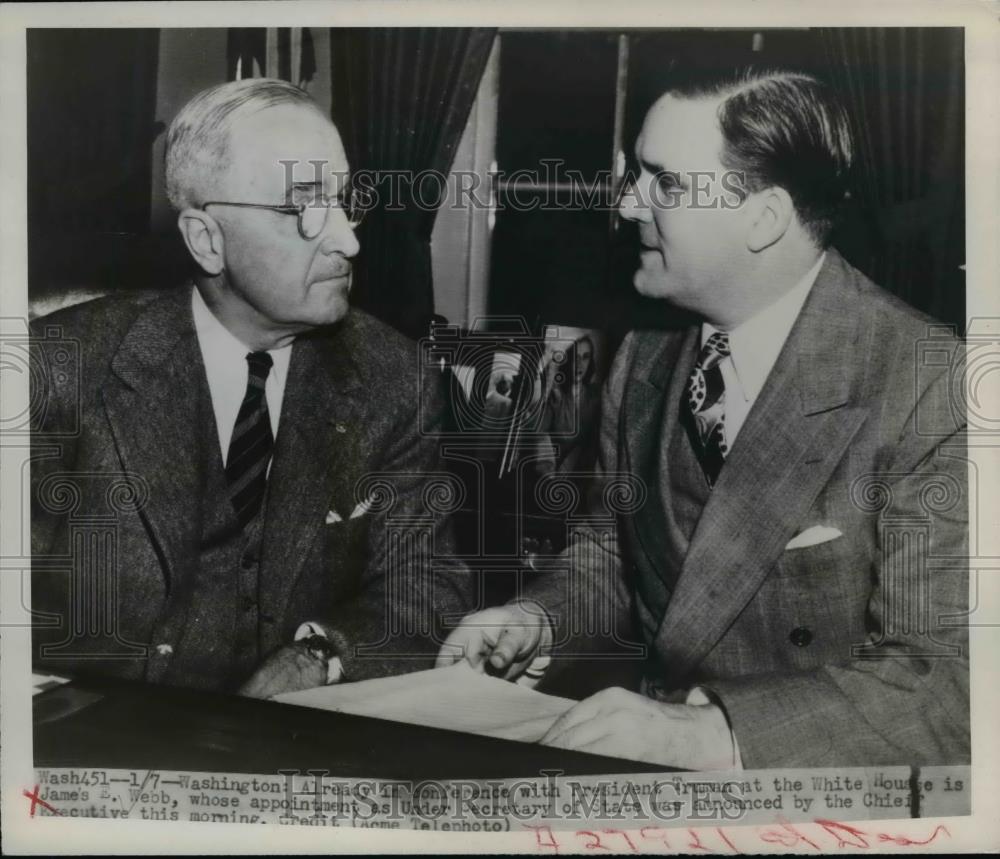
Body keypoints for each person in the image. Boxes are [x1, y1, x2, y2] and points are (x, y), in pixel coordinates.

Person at [439, 68, 968, 769]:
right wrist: (539, 620)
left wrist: (709, 732)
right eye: (634, 176)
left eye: (665, 183)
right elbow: (617, 551)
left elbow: (947, 687)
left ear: (764, 218)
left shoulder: (932, 383)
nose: (628, 205)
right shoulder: (646, 353)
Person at [31, 78, 472, 697]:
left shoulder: (394, 379)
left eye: (346, 201)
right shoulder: (57, 369)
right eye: (304, 208)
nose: (349, 239)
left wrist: (318, 655)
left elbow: (426, 586)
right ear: (207, 239)